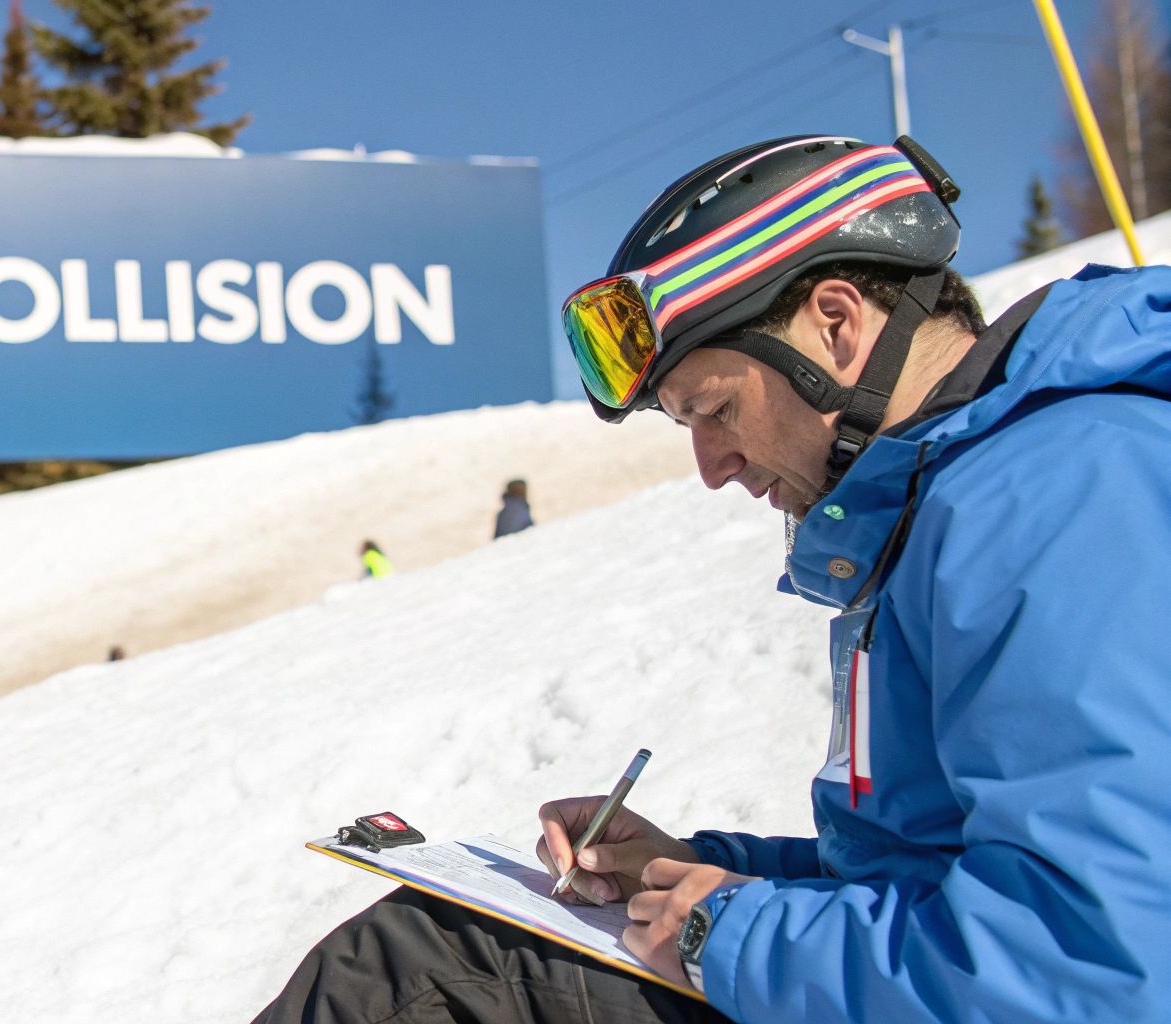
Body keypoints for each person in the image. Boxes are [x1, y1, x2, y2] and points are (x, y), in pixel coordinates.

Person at [255, 135, 1171, 1022]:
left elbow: (1096, 967)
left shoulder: (1060, 492)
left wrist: (719, 934)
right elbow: (923, 877)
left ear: (838, 323)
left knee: (428, 970)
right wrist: (688, 868)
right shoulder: (957, 504)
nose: (711, 467)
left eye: (715, 409)